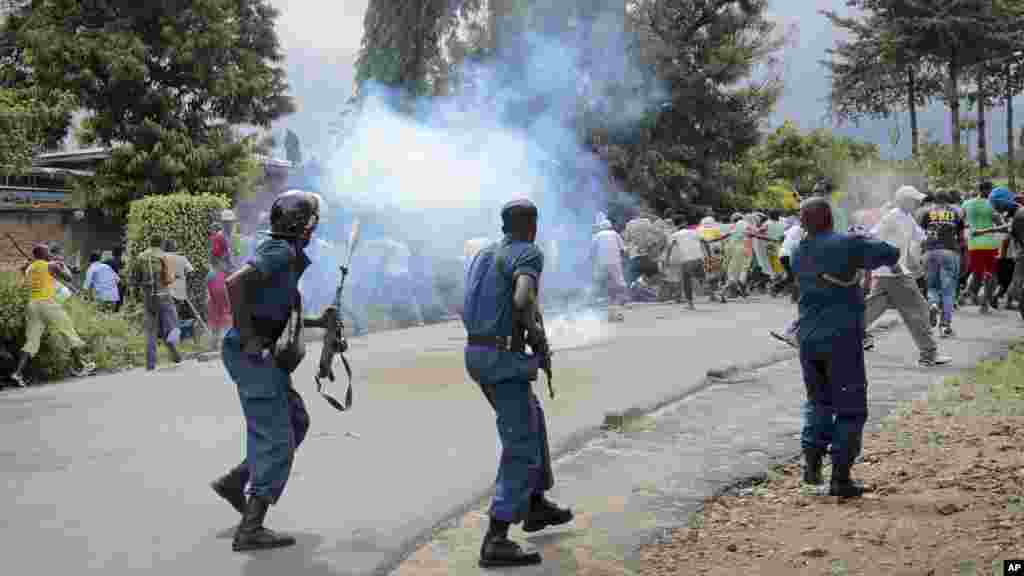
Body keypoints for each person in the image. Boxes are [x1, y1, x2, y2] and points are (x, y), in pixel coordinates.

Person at [209, 190, 329, 552]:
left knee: (296, 422)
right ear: (301, 225)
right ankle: (251, 528)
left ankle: (237, 481)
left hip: (261, 353)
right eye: (311, 223)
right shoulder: (279, 251)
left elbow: (273, 310)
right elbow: (236, 284)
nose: (314, 229)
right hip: (253, 355)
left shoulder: (285, 253)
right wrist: (248, 338)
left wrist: (318, 321)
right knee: (277, 438)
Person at [462, 199, 573, 568]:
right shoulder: (528, 252)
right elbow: (522, 296)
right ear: (532, 226)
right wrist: (535, 336)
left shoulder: (483, 254)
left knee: (532, 417)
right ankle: (496, 537)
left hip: (478, 352)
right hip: (502, 359)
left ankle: (534, 502)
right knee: (521, 441)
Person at [793, 197, 900, 498]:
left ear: (803, 223)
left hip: (808, 337)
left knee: (818, 402)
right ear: (830, 218)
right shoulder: (848, 243)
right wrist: (864, 236)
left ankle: (812, 467)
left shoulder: (799, 251)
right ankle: (840, 478)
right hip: (840, 338)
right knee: (851, 408)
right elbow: (891, 254)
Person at [864, 185, 952, 367]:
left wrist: (932, 236)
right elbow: (872, 238)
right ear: (904, 201)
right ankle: (929, 354)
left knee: (871, 309)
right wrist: (891, 262)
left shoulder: (907, 217)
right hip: (894, 272)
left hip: (886, 273)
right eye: (914, 200)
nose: (918, 203)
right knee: (917, 310)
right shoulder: (892, 217)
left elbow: (920, 237)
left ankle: (840, 335)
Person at [9, 244, 96, 387]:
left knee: (31, 341)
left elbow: (26, 280)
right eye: (48, 251)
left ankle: (17, 373)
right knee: (68, 332)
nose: (50, 253)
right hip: (47, 304)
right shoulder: (51, 265)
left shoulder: (30, 268)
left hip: (32, 305)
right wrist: (61, 266)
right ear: (43, 254)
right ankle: (81, 366)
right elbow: (68, 278)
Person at [918, 190, 965, 338]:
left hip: (929, 252)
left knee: (932, 286)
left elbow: (919, 233)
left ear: (934, 200)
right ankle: (945, 326)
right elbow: (962, 237)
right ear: (948, 200)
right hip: (949, 252)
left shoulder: (926, 212)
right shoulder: (956, 212)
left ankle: (932, 304)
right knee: (948, 290)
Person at [132, 236, 183, 370]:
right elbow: (170, 278)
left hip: (149, 297)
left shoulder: (141, 257)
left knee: (151, 331)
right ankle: (175, 354)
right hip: (165, 296)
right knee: (171, 327)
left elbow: (135, 279)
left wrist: (137, 294)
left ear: (150, 243)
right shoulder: (165, 256)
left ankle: (150, 364)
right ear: (161, 244)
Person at [962, 180, 1002, 312]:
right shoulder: (992, 204)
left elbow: (962, 221)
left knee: (977, 273)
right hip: (990, 243)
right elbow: (999, 222)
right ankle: (984, 303)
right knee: (991, 274)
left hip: (973, 243)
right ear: (988, 190)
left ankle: (966, 295)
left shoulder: (967, 203)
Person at [663, 216, 704, 310]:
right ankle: (716, 293)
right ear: (685, 223)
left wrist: (667, 260)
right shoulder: (694, 232)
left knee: (687, 282)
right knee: (703, 279)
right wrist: (709, 256)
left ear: (675, 225)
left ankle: (690, 304)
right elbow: (704, 241)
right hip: (698, 258)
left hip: (686, 261)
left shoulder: (675, 235)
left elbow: (669, 248)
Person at [590, 217, 628, 309]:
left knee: (598, 280)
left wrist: (591, 259)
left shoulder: (598, 235)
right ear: (610, 226)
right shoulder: (615, 234)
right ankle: (623, 298)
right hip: (615, 261)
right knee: (619, 280)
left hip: (602, 262)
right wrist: (625, 258)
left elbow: (592, 250)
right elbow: (623, 249)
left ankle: (596, 299)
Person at [162, 239, 195, 320]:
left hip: (165, 293)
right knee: (178, 316)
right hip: (180, 293)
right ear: (175, 248)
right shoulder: (182, 258)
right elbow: (191, 272)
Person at [206, 258, 232, 352]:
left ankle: (215, 345)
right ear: (219, 263)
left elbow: (209, 291)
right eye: (223, 263)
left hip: (216, 302)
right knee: (221, 324)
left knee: (217, 325)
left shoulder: (212, 274)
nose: (224, 265)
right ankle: (219, 344)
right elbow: (223, 289)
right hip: (219, 302)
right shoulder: (218, 274)